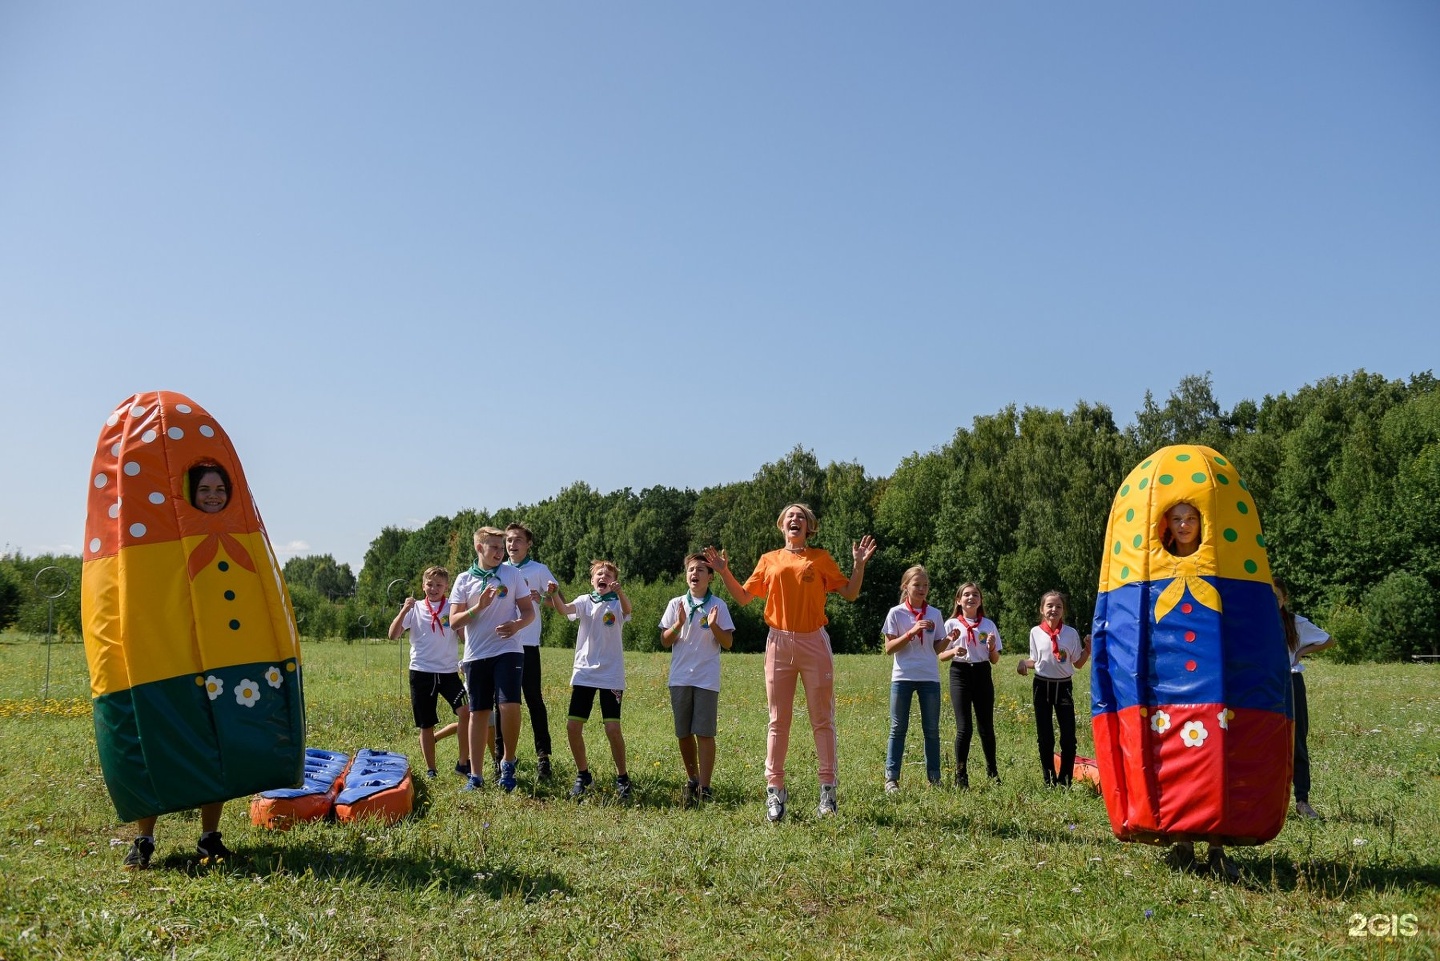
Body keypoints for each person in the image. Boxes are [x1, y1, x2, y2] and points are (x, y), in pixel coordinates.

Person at [704, 503, 877, 822]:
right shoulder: (769, 560)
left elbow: (850, 594)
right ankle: (775, 792)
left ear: (809, 526)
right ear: (781, 526)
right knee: (777, 720)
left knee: (822, 719)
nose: (795, 519)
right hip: (779, 643)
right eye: (789, 516)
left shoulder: (820, 558)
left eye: (801, 517)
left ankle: (827, 792)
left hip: (814, 642)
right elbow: (743, 597)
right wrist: (724, 570)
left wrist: (858, 565)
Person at [124, 464, 234, 869]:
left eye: (220, 488)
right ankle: (144, 839)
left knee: (213, 747)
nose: (212, 495)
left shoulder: (231, 532)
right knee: (157, 742)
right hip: (167, 657)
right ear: (189, 492)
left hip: (219, 659)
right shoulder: (166, 532)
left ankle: (209, 837)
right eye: (204, 488)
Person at [1154, 501, 1237, 879]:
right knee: (1176, 760)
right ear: (1167, 523)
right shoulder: (1154, 566)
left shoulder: (1219, 563)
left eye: (1191, 518)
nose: (1185, 525)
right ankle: (1183, 843)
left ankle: (1217, 848)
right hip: (1169, 684)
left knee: (1215, 762)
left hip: (1215, 684)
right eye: (1177, 518)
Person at [450, 527, 535, 793]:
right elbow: (453, 621)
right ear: (479, 548)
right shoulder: (464, 580)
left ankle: (508, 762)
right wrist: (478, 607)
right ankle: (475, 776)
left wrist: (517, 625)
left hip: (508, 649)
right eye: (494, 547)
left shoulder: (512, 574)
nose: (500, 552)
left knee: (509, 706)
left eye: (502, 547)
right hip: (476, 654)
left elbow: (529, 612)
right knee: (478, 713)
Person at [550, 560, 632, 801]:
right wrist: (554, 594)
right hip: (585, 672)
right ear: (592, 580)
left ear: (614, 581)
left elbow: (628, 611)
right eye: (599, 573)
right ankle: (583, 775)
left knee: (612, 728)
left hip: (611, 675)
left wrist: (620, 592)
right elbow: (564, 610)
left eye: (608, 574)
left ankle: (623, 777)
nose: (603, 576)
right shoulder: (585, 600)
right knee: (573, 727)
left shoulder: (617, 602)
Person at [659, 553, 735, 806]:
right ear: (686, 575)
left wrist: (714, 626)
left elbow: (728, 643)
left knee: (704, 733)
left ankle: (705, 786)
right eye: (691, 569)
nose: (695, 574)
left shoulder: (718, 606)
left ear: (710, 577)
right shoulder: (675, 604)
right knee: (683, 733)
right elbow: (665, 640)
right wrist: (678, 623)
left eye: (701, 570)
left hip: (706, 679)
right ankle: (692, 779)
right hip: (679, 678)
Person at [485, 523, 558, 781]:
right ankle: (500, 759)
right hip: (502, 645)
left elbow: (554, 601)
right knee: (501, 703)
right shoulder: (498, 571)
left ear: (528, 544)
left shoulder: (538, 570)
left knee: (533, 700)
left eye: (517, 540)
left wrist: (543, 597)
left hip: (527, 644)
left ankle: (543, 759)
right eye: (508, 541)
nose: (511, 545)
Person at [388, 566, 471, 780]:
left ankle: (463, 763)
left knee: (466, 712)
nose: (434, 588)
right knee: (426, 724)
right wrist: (404, 610)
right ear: (423, 585)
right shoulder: (414, 608)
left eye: (439, 585)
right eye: (430, 584)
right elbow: (393, 635)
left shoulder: (451, 607)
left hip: (448, 673)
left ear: (446, 587)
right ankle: (431, 769)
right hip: (421, 672)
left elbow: (464, 637)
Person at [880, 566, 953, 793]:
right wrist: (912, 632)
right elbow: (889, 648)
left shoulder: (935, 614)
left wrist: (950, 638)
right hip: (903, 676)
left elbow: (937, 648)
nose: (922, 589)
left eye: (925, 585)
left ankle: (934, 778)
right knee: (897, 728)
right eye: (917, 585)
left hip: (929, 677)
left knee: (931, 729)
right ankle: (891, 779)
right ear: (906, 587)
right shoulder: (896, 613)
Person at [1274, 577, 1334, 820]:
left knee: (1296, 740)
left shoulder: (1295, 623)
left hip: (1291, 683)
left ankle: (1302, 800)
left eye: (1276, 597)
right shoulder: (1255, 621)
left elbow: (1328, 639)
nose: (1271, 602)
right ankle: (1269, 801)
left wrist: (1300, 651)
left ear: (1284, 599)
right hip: (1264, 686)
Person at [1017, 591, 1089, 787]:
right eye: (1049, 605)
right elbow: (1035, 660)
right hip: (1042, 685)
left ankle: (1065, 781)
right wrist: (1023, 662)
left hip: (1063, 686)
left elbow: (1078, 663)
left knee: (1068, 737)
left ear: (1063, 611)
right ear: (1042, 609)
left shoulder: (1071, 633)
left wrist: (1088, 649)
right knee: (1045, 737)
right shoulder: (1035, 632)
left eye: (1058, 606)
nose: (1053, 610)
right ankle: (1048, 780)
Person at [939, 581, 1002, 787]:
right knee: (964, 728)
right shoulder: (951, 624)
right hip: (960, 673)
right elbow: (941, 655)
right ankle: (961, 775)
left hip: (982, 672)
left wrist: (992, 647)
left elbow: (994, 659)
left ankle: (992, 772)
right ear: (958, 600)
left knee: (987, 727)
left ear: (980, 600)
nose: (971, 598)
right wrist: (953, 651)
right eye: (966, 594)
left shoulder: (988, 625)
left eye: (975, 594)